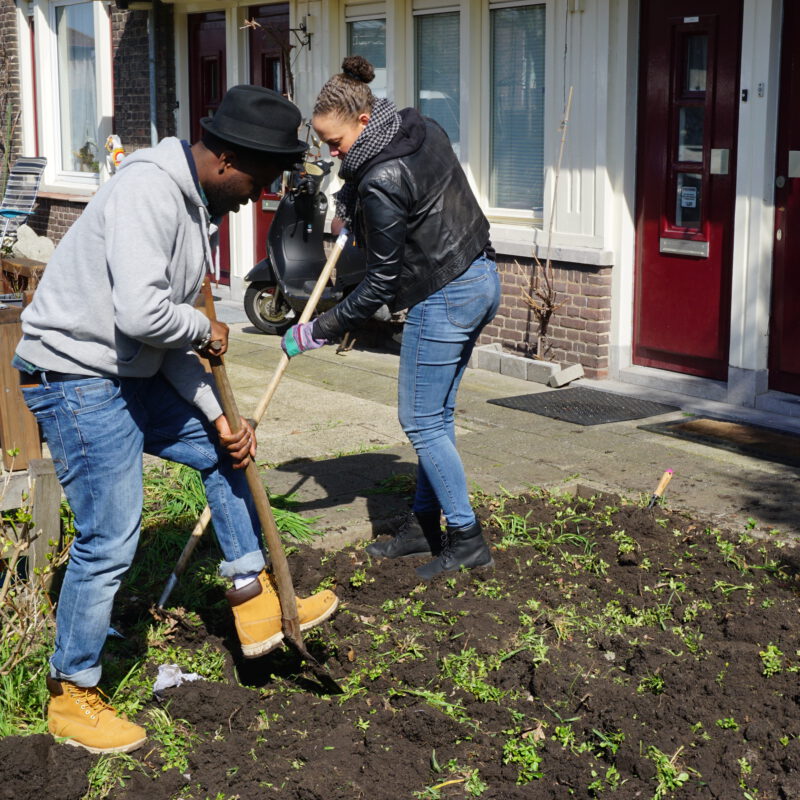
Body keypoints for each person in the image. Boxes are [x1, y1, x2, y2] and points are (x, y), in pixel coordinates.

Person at [13, 85, 338, 755]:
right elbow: (145, 316)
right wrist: (202, 328)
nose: (260, 194)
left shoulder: (195, 210)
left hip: (128, 371)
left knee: (228, 451)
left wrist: (218, 414)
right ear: (224, 157)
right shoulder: (149, 193)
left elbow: (171, 345)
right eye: (260, 178)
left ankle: (252, 602)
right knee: (110, 535)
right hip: (73, 375)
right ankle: (70, 694)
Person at [281, 57, 501, 581]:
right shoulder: (416, 126)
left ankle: (467, 539)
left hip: (443, 293)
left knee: (421, 421)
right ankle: (424, 523)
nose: (333, 156)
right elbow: (406, 197)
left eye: (336, 144)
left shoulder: (378, 178)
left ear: (361, 122)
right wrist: (352, 208)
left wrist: (318, 329)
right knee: (437, 417)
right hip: (480, 276)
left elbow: (379, 282)